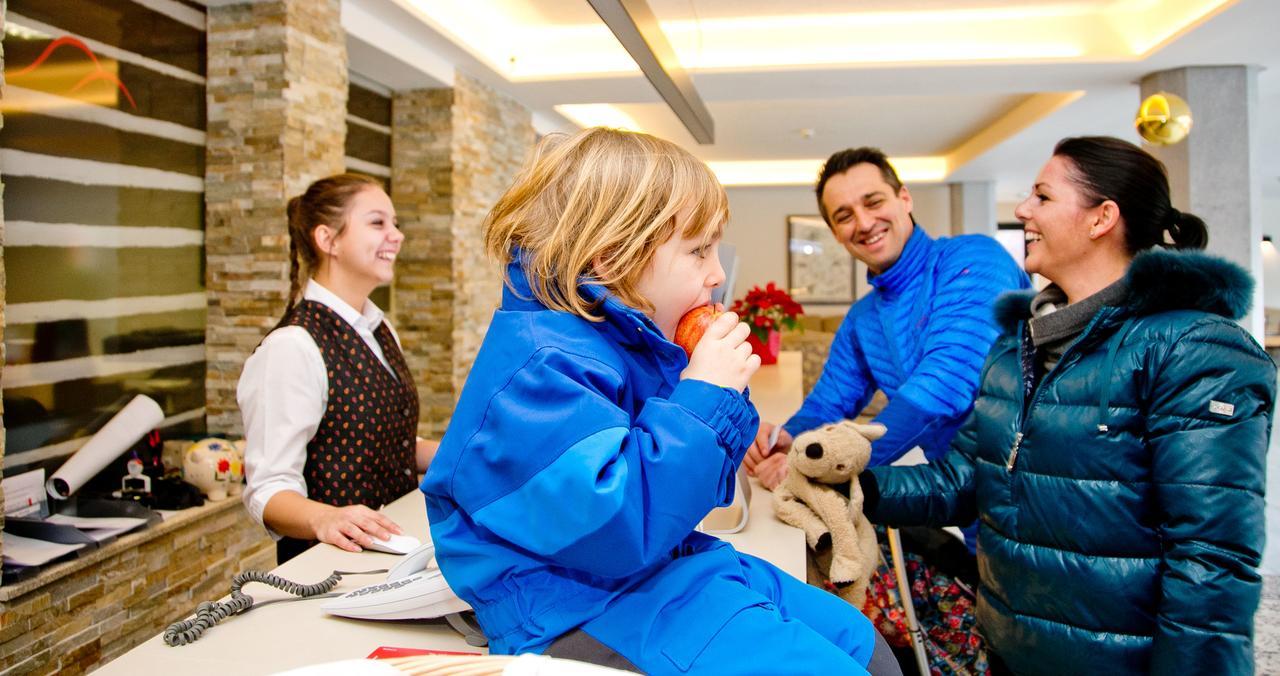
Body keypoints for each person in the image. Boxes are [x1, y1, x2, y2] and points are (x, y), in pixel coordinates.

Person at [421, 128, 899, 675]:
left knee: (863, 644)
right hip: (573, 607)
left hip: (653, 567)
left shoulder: (629, 339)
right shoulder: (540, 366)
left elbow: (694, 493)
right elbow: (615, 526)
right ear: (611, 256)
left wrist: (717, 394)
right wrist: (705, 393)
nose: (718, 274)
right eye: (698, 251)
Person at [860, 136, 1274, 674]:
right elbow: (963, 480)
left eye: (1042, 197)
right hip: (1012, 646)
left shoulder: (1194, 350)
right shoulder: (1015, 350)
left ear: (1102, 217)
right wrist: (854, 486)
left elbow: (1210, 564)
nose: (1022, 210)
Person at [746, 148, 1028, 502]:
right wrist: (787, 440)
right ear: (835, 233)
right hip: (962, 497)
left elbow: (943, 386)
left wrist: (825, 463)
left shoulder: (974, 258)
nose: (863, 224)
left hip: (1038, 491)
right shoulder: (862, 319)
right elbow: (827, 406)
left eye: (873, 201)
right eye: (844, 216)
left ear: (904, 198)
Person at [239, 174, 439, 564]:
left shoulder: (379, 329)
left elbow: (379, 440)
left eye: (395, 224)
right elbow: (267, 489)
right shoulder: (292, 346)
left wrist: (464, 454)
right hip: (327, 567)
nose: (396, 235)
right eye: (378, 223)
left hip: (394, 552)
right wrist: (326, 518)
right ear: (327, 240)